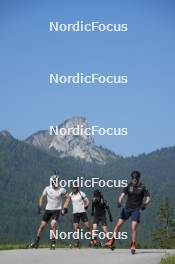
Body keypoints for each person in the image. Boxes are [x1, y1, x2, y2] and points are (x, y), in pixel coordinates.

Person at [105, 170, 151, 254]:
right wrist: (119, 201)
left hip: (136, 209)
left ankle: (133, 244)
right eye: (133, 178)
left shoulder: (143, 187)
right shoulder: (129, 186)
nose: (134, 180)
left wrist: (144, 204)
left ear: (138, 178)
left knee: (133, 227)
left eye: (136, 178)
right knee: (118, 224)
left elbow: (148, 198)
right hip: (127, 208)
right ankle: (111, 241)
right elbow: (122, 195)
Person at [28, 172, 69, 249]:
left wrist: (65, 207)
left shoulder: (61, 190)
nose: (55, 184)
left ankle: (53, 243)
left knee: (53, 224)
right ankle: (36, 242)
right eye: (53, 182)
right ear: (51, 181)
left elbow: (68, 197)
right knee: (42, 226)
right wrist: (40, 206)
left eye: (56, 182)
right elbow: (42, 197)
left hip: (56, 210)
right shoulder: (47, 188)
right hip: (48, 210)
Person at [64, 181, 91, 247]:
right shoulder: (71, 194)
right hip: (75, 213)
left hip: (82, 212)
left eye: (74, 188)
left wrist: (86, 205)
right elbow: (67, 202)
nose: (73, 189)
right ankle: (76, 242)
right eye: (72, 188)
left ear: (77, 187)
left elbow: (87, 200)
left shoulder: (81, 193)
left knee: (87, 226)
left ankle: (93, 239)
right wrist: (64, 208)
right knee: (75, 227)